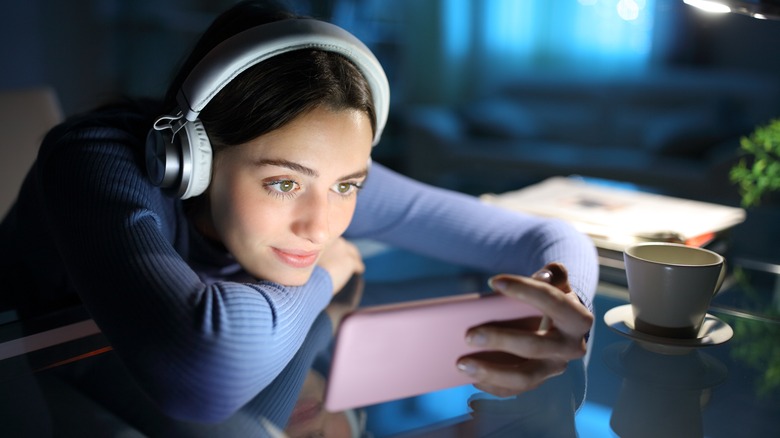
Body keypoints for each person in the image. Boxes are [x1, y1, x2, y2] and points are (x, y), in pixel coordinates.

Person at [0, 0, 597, 425]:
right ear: (195, 160)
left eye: (347, 185)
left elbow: (548, 238)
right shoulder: (94, 159)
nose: (321, 225)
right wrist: (326, 275)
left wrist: (563, 307)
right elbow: (203, 374)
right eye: (284, 184)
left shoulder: (323, 167)